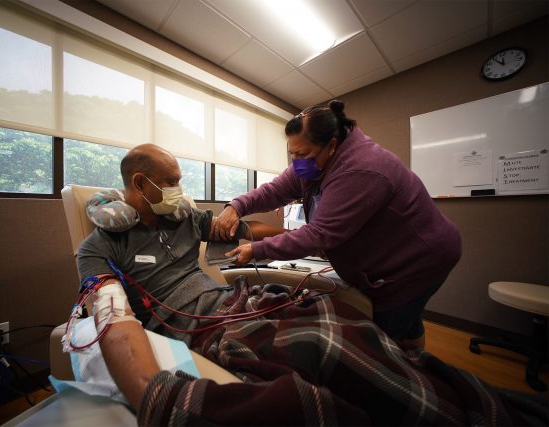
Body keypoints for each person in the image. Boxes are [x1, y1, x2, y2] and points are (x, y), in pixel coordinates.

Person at [75, 143, 545, 425]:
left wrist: (294, 238)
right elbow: (111, 318)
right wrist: (149, 390)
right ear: (140, 183)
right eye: (171, 182)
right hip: (202, 324)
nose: (180, 191)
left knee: (343, 318)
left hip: (234, 298)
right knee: (321, 343)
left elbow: (237, 230)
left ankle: (465, 400)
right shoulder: (99, 247)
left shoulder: (178, 217)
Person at [215, 100, 462, 350]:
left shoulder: (364, 168)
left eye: (302, 154)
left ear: (331, 145)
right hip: (401, 253)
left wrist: (257, 250)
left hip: (419, 260)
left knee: (383, 337)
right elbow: (275, 190)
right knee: (409, 321)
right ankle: (417, 362)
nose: (296, 162)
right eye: (292, 154)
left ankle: (399, 379)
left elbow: (319, 234)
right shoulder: (313, 161)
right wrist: (237, 205)